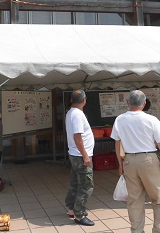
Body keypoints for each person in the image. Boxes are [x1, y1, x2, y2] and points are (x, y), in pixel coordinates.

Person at [111, 90, 160, 233]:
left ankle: (137, 231)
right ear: (144, 104)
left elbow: (117, 145)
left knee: (135, 200)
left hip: (129, 161)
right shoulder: (151, 120)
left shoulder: (120, 119)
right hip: (148, 159)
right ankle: (159, 230)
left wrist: (120, 165)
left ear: (127, 102)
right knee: (159, 199)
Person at [65, 89, 95, 226]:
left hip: (75, 153)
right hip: (80, 155)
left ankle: (71, 208)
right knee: (86, 184)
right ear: (84, 101)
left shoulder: (71, 112)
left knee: (75, 182)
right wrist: (85, 156)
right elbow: (78, 136)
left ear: (71, 100)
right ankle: (79, 213)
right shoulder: (77, 114)